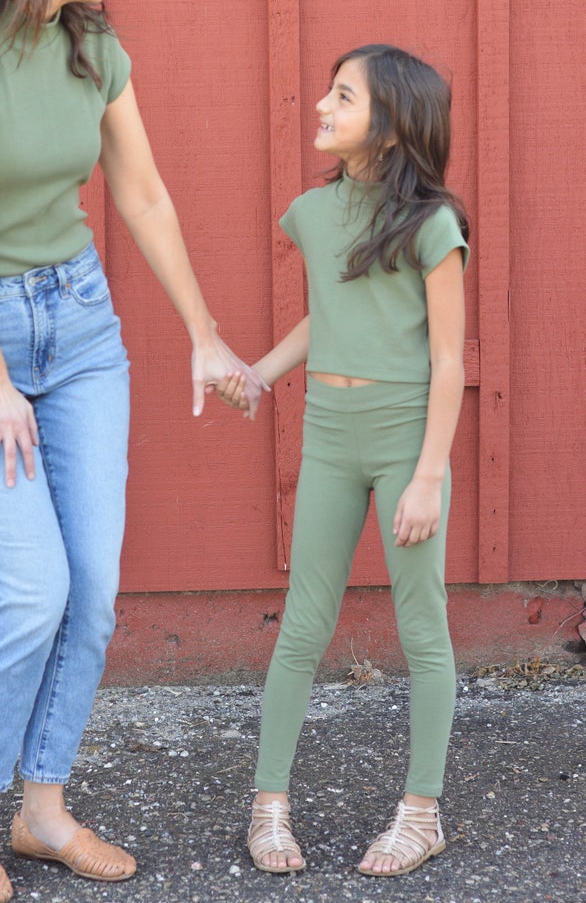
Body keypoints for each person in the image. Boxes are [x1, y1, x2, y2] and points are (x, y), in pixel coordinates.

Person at [0, 0, 264, 903]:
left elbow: (141, 197)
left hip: (78, 327)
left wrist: (200, 330)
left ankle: (42, 809)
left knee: (93, 591)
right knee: (33, 590)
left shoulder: (91, 47)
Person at [216, 44, 469, 878]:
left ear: (390, 127)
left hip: (405, 437)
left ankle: (421, 813)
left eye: (343, 96)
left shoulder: (434, 226)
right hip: (329, 431)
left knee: (421, 628)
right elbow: (325, 318)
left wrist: (429, 472)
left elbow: (446, 361)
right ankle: (269, 807)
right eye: (328, 91)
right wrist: (259, 373)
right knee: (303, 625)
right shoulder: (313, 212)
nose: (322, 106)